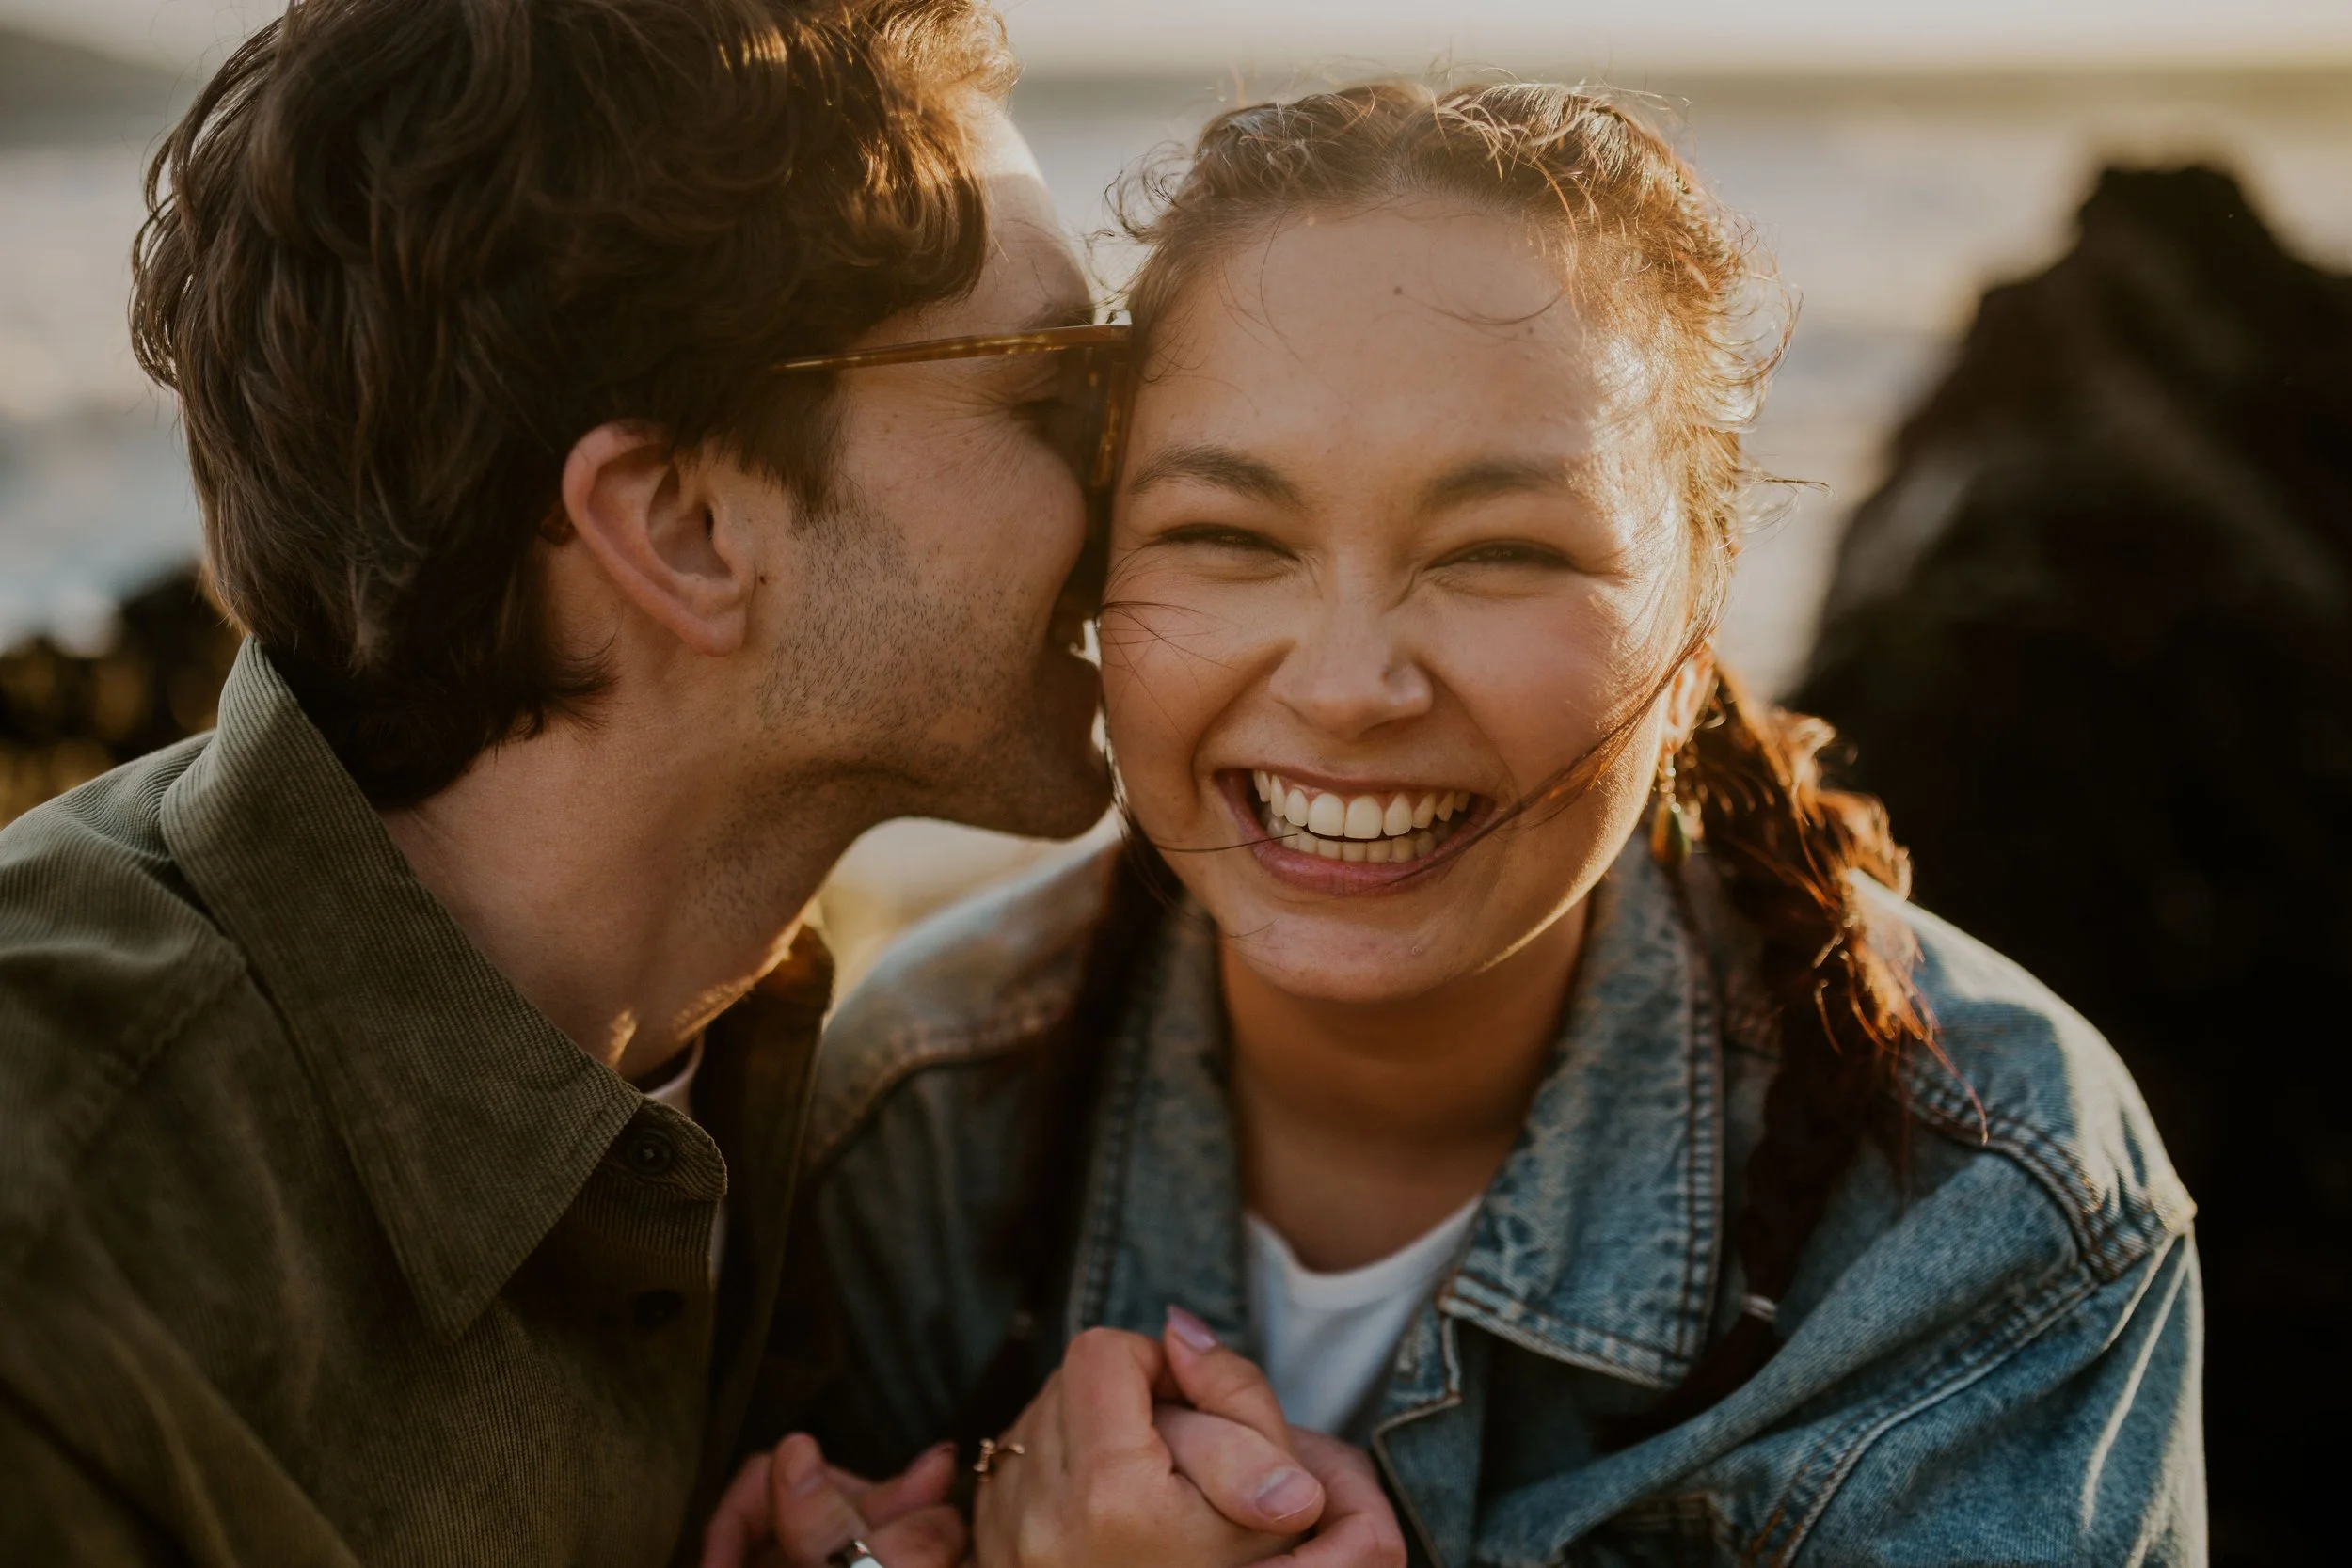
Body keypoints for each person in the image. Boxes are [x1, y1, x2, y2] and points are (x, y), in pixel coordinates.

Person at [0, 3, 1391, 1563]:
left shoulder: (736, 1049)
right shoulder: (62, 1265)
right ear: (681, 527)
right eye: (1053, 386)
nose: (1140, 474)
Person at [771, 82, 2206, 1565]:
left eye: (1499, 551)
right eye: (1227, 535)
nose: (1348, 687)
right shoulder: (922, 1118)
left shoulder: (1982, 1203)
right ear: (1099, 569)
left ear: (1698, 609)